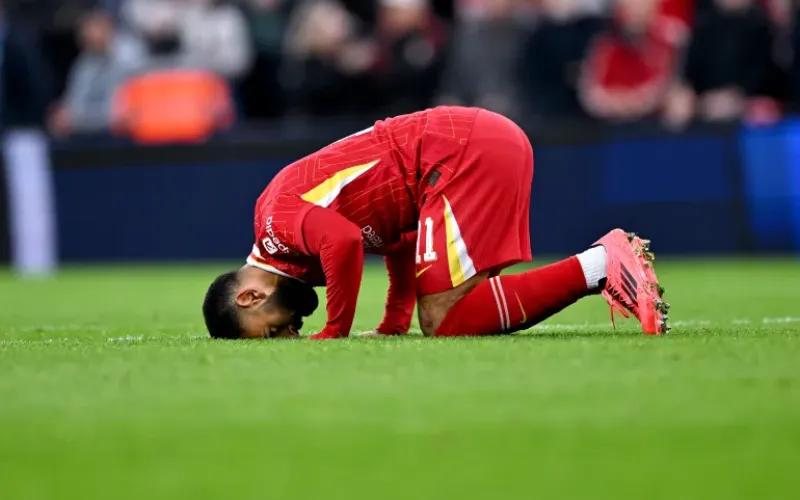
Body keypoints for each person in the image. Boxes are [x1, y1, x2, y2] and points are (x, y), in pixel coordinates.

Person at [202, 106, 670, 339]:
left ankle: (602, 264)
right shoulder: (293, 249)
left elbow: (343, 242)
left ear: (250, 297)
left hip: (458, 155)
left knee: (442, 317)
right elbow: (398, 241)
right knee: (458, 310)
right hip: (467, 150)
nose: (291, 333)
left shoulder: (274, 225)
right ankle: (601, 267)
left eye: (273, 330)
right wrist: (392, 322)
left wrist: (334, 332)